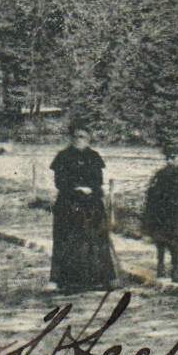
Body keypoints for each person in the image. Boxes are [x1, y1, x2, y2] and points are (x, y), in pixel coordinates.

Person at [49, 123, 120, 293]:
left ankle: (100, 278)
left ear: (88, 139)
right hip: (69, 202)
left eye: (83, 137)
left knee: (96, 239)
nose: (79, 140)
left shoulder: (94, 157)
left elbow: (98, 181)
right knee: (69, 240)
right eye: (76, 136)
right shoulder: (63, 156)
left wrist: (91, 190)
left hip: (91, 203)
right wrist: (76, 189)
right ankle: (68, 281)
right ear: (70, 138)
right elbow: (59, 182)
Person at [143, 142, 178, 281]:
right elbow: (153, 196)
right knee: (168, 239)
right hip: (165, 213)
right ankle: (167, 266)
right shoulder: (162, 174)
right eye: (174, 158)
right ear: (168, 159)